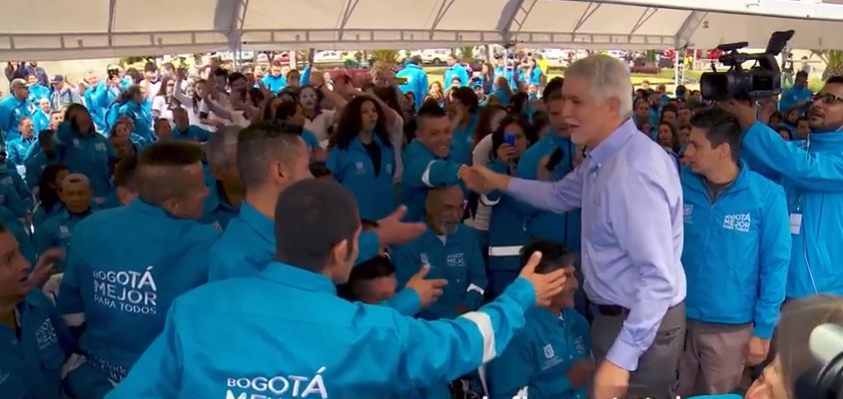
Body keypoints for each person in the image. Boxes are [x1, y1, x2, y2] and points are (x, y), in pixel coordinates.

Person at [105, 178, 572, 399]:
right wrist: (521, 294)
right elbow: (466, 341)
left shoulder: (195, 311)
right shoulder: (369, 331)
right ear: (346, 248)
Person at [463, 54, 686, 399]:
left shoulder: (633, 173)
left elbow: (658, 279)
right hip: (619, 317)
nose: (564, 113)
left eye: (576, 101)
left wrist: (622, 360)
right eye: (564, 100)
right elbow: (560, 194)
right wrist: (496, 180)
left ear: (612, 106)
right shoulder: (604, 157)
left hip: (639, 324)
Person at [56, 141, 218, 382]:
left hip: (95, 375)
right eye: (200, 186)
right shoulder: (206, 243)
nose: (206, 192)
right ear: (172, 204)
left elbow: (71, 310)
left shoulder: (88, 228)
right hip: (168, 381)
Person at [677, 108, 790, 396]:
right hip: (676, 319)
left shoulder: (766, 195)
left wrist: (763, 331)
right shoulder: (679, 185)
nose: (687, 152)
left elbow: (775, 266)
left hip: (730, 330)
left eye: (696, 145)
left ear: (723, 150)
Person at [720, 76, 843, 299]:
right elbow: (751, 170)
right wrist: (756, 122)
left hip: (826, 293)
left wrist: (754, 127)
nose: (816, 104)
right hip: (776, 284)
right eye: (817, 97)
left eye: (830, 99)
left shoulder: (802, 158)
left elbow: (805, 169)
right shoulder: (794, 150)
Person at [0, 223, 115, 399]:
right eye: (8, 259)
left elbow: (68, 361)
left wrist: (107, 394)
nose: (25, 264)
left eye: (19, 252)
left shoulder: (38, 304)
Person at [486, 240, 591, 399]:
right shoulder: (516, 333)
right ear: (542, 280)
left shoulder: (578, 322)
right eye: (566, 276)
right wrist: (566, 382)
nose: (576, 284)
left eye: (573, 274)